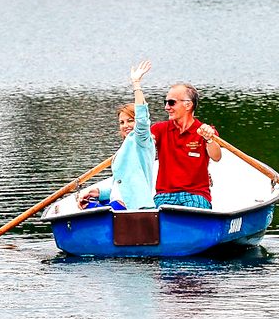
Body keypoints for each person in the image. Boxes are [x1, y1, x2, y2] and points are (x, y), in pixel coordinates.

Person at [82, 60, 156, 209]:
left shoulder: (142, 141)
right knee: (85, 204)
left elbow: (142, 120)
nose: (125, 125)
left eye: (130, 120)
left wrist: (136, 84)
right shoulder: (124, 149)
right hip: (118, 204)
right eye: (122, 122)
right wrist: (98, 193)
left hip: (133, 207)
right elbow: (122, 184)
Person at [151, 81, 222, 210]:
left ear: (188, 105)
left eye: (171, 102)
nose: (167, 107)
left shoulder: (205, 130)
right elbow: (142, 146)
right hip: (165, 195)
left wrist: (209, 139)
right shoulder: (159, 130)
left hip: (196, 195)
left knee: (193, 213)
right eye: (165, 102)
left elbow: (216, 157)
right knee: (151, 219)